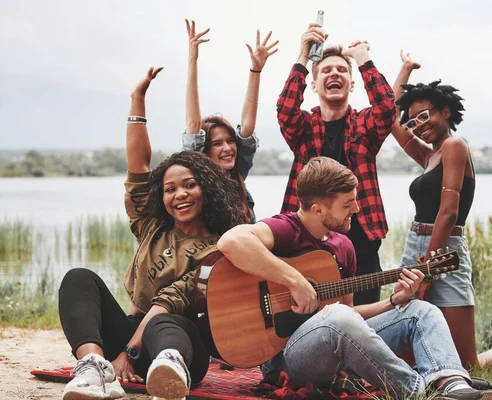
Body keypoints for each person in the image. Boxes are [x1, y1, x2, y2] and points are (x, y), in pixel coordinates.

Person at [217, 157, 492, 400]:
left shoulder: (342, 246)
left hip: (337, 347)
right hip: (286, 358)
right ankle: (420, 392)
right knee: (337, 318)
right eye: (347, 204)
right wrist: (295, 280)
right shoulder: (286, 229)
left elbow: (350, 314)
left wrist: (392, 302)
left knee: (419, 311)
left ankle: (454, 385)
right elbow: (231, 242)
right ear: (318, 208)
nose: (356, 209)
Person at [58, 67, 246, 400]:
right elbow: (139, 165)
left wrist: (127, 354)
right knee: (78, 278)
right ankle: (92, 367)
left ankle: (167, 375)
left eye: (190, 185)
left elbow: (169, 302)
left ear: (208, 191)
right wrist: (137, 100)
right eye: (170, 189)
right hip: (134, 330)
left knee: (165, 321)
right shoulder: (152, 226)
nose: (180, 195)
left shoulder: (221, 246)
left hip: (183, 344)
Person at [391, 51, 492, 370]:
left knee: (467, 366)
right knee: (404, 352)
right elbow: (389, 119)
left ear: (445, 112)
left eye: (425, 116)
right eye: (414, 120)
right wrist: (403, 71)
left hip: (444, 250)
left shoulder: (454, 146)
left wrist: (427, 271)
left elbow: (448, 212)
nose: (419, 125)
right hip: (414, 247)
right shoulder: (428, 156)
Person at [276, 23, 396, 306]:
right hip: (309, 241)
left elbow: (387, 110)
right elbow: (285, 110)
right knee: (308, 318)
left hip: (361, 241)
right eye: (326, 70)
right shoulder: (304, 128)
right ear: (314, 85)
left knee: (364, 323)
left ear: (352, 84)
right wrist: (303, 58)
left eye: (342, 70)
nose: (334, 73)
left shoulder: (365, 125)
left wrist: (362, 59)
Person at [181, 19, 279, 222]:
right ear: (204, 151)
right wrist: (192, 59)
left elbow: (247, 126)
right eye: (217, 143)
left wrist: (256, 70)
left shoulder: (237, 174)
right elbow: (192, 126)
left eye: (229, 140)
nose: (227, 148)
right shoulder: (199, 176)